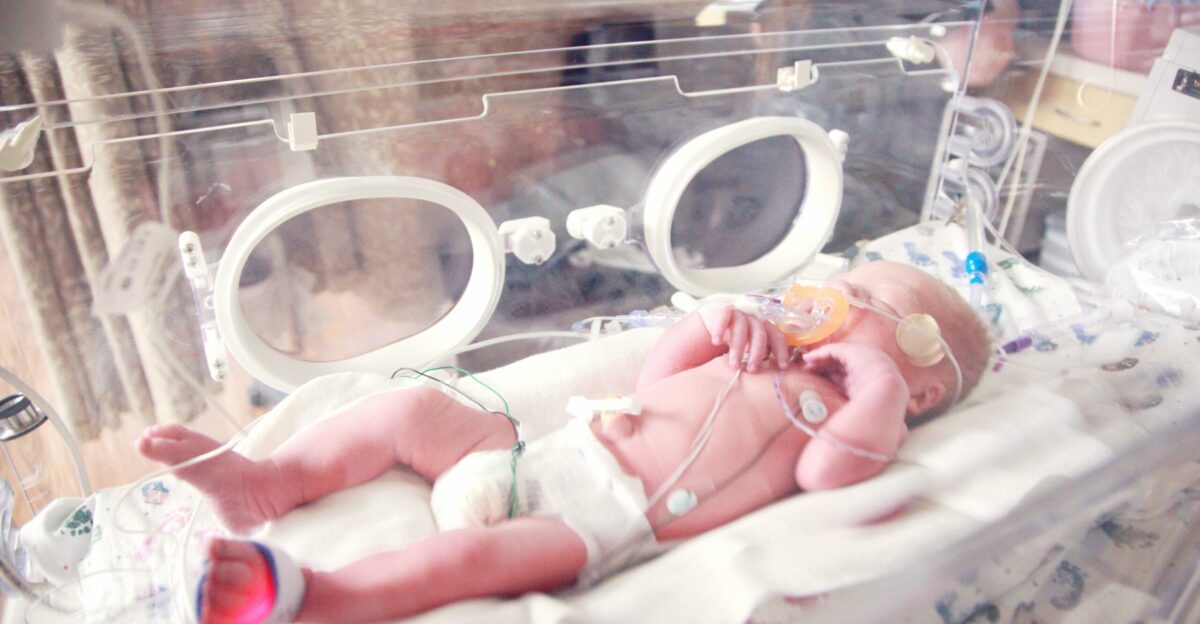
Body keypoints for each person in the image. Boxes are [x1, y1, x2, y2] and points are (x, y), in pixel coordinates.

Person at [138, 261, 990, 624]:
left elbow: (831, 472)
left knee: (470, 561)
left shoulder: (845, 414)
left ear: (921, 387)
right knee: (412, 412)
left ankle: (321, 598)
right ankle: (274, 480)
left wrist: (873, 389)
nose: (839, 300)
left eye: (873, 301)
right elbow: (654, 382)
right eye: (841, 284)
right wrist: (710, 324)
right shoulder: (766, 352)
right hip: (541, 452)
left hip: (598, 520)